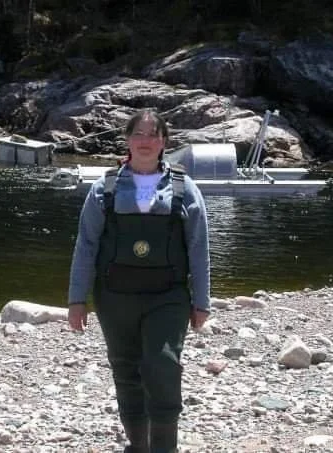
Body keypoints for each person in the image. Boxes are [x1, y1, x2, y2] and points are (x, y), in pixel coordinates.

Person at [67, 109, 211, 453]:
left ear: (164, 142)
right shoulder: (104, 188)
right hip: (115, 297)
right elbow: (86, 246)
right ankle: (138, 445)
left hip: (168, 297)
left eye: (153, 135)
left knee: (163, 365)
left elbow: (199, 247)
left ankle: (164, 448)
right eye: (138, 134)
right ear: (128, 140)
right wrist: (76, 300)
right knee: (126, 370)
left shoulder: (185, 188)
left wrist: (201, 301)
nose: (145, 141)